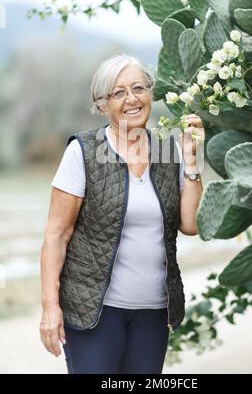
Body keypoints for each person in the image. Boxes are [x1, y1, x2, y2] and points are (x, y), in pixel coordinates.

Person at [39, 53, 204, 374]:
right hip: (95, 312)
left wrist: (192, 160)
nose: (132, 99)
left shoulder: (170, 152)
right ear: (102, 104)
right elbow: (56, 235)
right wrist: (50, 307)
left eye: (139, 88)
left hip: (153, 312)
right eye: (119, 93)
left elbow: (191, 224)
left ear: (151, 94)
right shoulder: (83, 152)